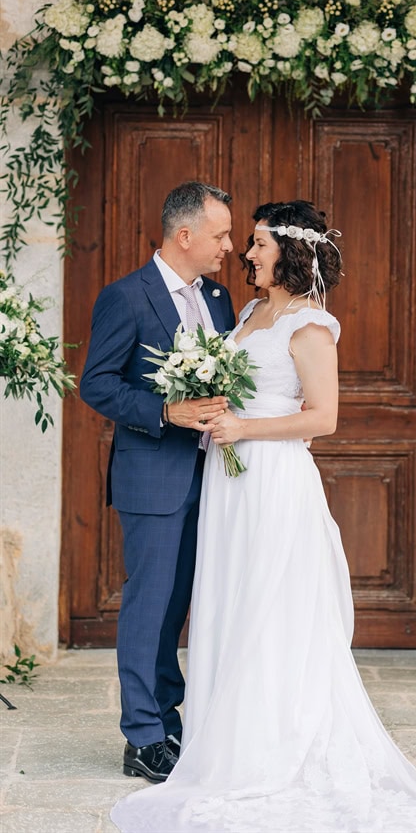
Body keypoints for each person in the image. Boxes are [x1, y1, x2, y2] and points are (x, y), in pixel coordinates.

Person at [111, 200, 416, 832]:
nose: (246, 252)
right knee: (231, 602)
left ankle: (275, 741)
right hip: (228, 483)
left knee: (273, 604)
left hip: (270, 480)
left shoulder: (313, 327)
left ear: (291, 251)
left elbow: (324, 418)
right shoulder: (242, 311)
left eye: (259, 243)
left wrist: (244, 426)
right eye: (243, 243)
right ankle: (223, 733)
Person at [80, 181, 236, 785]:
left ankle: (169, 720)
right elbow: (97, 383)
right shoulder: (126, 297)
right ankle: (141, 736)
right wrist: (165, 412)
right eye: (221, 235)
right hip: (152, 475)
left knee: (179, 606)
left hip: (213, 476)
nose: (229, 246)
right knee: (148, 605)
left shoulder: (220, 299)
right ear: (185, 234)